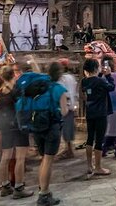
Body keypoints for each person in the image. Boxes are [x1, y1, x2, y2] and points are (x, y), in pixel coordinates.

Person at [33, 62, 69, 206]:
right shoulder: (60, 89)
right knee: (48, 161)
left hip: (38, 126)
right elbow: (65, 111)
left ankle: (42, 187)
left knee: (43, 159)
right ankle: (44, 194)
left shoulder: (41, 86)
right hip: (52, 127)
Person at [0, 65, 33, 199]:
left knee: (5, 156)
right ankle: (19, 187)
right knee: (20, 158)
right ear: (14, 75)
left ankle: (5, 186)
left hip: (5, 127)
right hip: (18, 126)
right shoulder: (16, 91)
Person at [81, 58, 114, 178]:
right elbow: (111, 87)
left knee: (90, 138)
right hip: (100, 114)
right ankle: (98, 167)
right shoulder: (100, 81)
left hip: (90, 113)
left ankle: (89, 166)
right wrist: (109, 75)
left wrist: (100, 74)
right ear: (96, 68)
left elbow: (94, 82)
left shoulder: (84, 81)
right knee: (99, 140)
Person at [57, 58, 77, 159]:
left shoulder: (62, 78)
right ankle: (68, 149)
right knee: (68, 129)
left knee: (66, 129)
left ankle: (69, 151)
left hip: (65, 106)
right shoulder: (71, 77)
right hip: (71, 105)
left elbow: (64, 93)